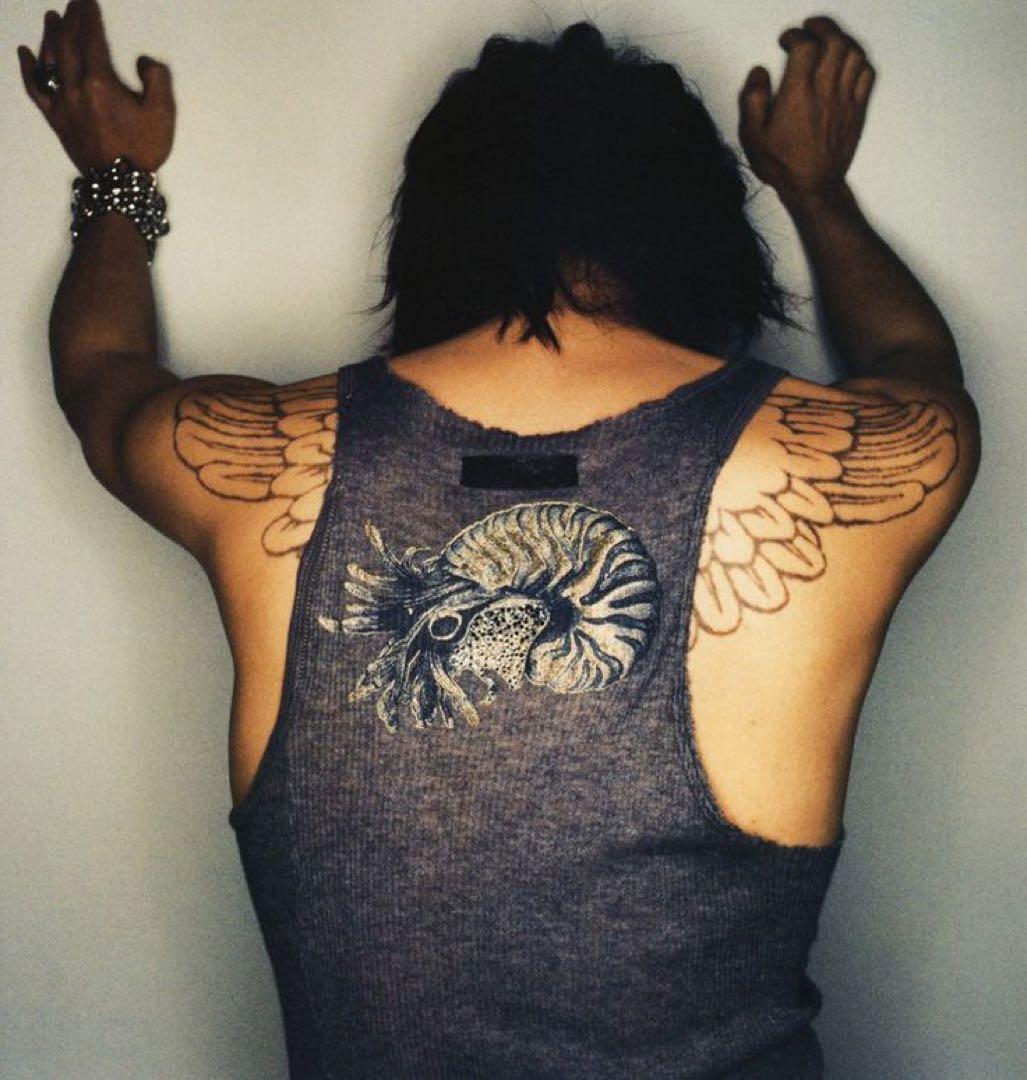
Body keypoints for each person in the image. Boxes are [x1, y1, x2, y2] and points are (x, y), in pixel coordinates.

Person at [19, 3, 980, 1077]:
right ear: (701, 235)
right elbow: (914, 360)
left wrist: (114, 177)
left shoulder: (275, 464)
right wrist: (814, 187)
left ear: (434, 228)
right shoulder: (834, 466)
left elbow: (101, 374)